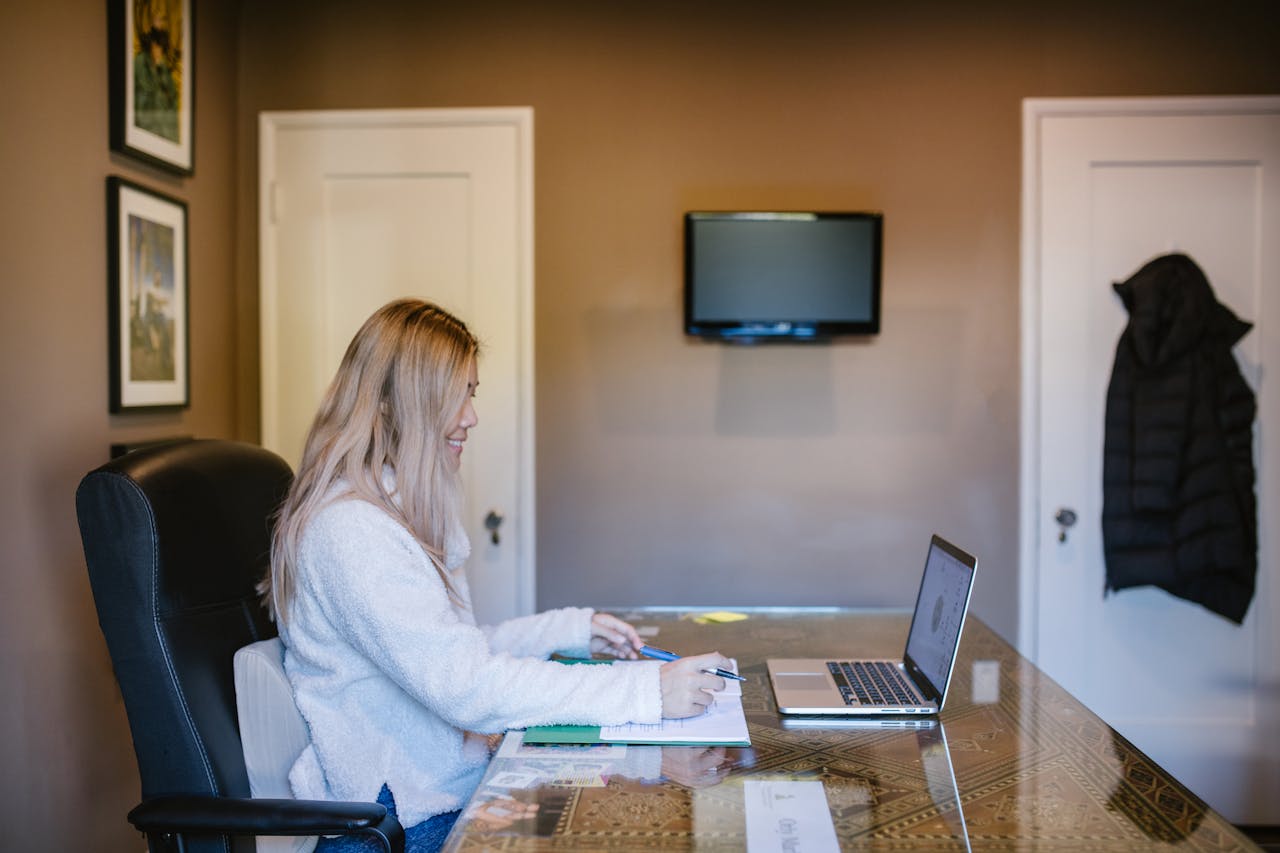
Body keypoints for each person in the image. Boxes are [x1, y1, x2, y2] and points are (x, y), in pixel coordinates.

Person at [262, 298, 730, 853]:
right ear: (400, 402)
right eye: (457, 394)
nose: (471, 417)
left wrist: (572, 630)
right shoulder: (351, 532)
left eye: (472, 393)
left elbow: (455, 652)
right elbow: (467, 687)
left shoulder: (393, 513)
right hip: (396, 821)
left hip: (434, 794)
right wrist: (648, 691)